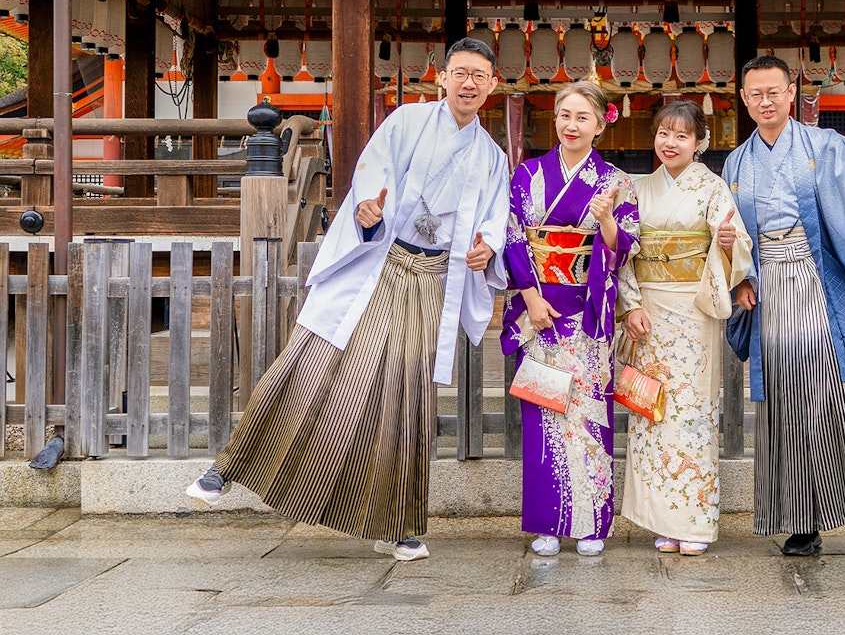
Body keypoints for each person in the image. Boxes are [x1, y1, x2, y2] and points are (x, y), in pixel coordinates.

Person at [186, 38, 509, 563]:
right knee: (317, 361)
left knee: (406, 396)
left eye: (480, 75)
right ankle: (226, 468)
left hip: (432, 277)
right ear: (442, 79)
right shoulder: (407, 121)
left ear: (492, 86)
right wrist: (366, 208)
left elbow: (497, 215)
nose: (469, 83)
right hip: (382, 262)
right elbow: (373, 173)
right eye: (460, 73)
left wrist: (488, 245)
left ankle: (397, 523)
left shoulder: (492, 157)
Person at [722, 55, 845, 556]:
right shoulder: (736, 162)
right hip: (768, 284)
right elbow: (730, 232)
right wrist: (741, 279)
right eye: (755, 94)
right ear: (743, 98)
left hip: (817, 280)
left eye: (774, 92)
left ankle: (831, 509)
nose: (766, 102)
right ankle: (794, 518)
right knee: (781, 400)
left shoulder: (826, 145)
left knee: (824, 398)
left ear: (792, 92)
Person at [500, 80, 639, 558]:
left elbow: (625, 247)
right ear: (554, 120)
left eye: (583, 117)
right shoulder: (527, 175)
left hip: (587, 310)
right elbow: (514, 236)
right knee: (543, 413)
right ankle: (547, 522)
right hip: (539, 310)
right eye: (564, 115)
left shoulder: (616, 182)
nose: (571, 125)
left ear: (601, 125)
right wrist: (531, 298)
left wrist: (605, 222)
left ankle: (592, 522)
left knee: (589, 415)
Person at [617, 100, 752, 557]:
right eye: (663, 134)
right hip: (648, 313)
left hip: (693, 311)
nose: (670, 143)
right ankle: (660, 518)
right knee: (651, 411)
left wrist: (728, 246)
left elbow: (736, 246)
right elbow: (624, 253)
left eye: (681, 136)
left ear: (699, 142)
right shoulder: (639, 188)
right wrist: (630, 304)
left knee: (691, 417)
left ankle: (693, 521)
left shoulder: (711, 189)